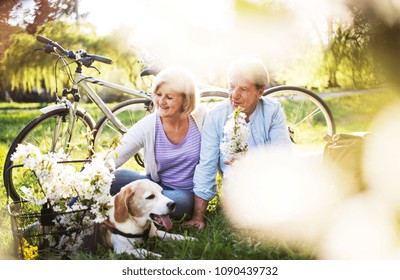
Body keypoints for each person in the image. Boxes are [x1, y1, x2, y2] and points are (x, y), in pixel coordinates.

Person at [184, 57, 293, 229]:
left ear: (260, 91)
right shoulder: (216, 117)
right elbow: (206, 165)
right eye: (231, 86)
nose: (234, 95)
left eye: (243, 89)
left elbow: (283, 155)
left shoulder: (273, 111)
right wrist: (198, 216)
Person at [110, 66, 207, 219]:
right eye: (158, 94)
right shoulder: (148, 125)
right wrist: (88, 177)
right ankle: (70, 211)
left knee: (180, 202)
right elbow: (115, 156)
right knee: (114, 176)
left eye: (169, 97)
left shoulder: (201, 117)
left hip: (185, 193)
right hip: (154, 185)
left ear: (185, 99)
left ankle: (135, 205)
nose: (161, 102)